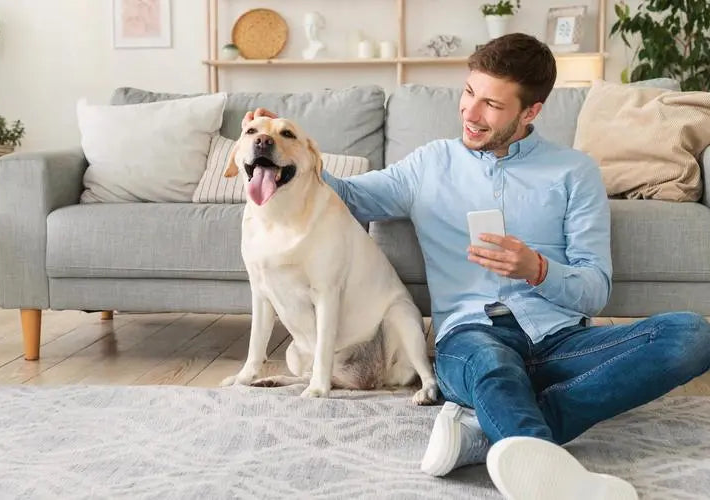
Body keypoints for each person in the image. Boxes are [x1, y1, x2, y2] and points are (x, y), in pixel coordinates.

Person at [242, 33, 710, 499]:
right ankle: (549, 476)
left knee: (691, 335)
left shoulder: (575, 172)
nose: (470, 112)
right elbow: (345, 195)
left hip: (561, 339)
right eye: (468, 93)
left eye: (491, 104)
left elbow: (595, 289)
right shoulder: (429, 164)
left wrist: (538, 269)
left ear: (531, 112)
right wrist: (270, 148)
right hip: (471, 336)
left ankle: (484, 432)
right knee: (492, 368)